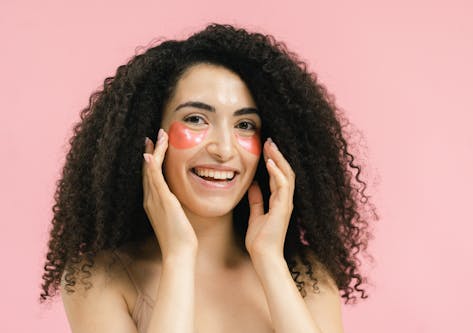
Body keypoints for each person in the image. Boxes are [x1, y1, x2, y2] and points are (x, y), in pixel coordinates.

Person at [39, 23, 376, 333]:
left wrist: (270, 260)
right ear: (148, 135)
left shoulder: (307, 275)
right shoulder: (96, 280)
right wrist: (179, 257)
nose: (224, 149)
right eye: (197, 119)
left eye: (245, 125)